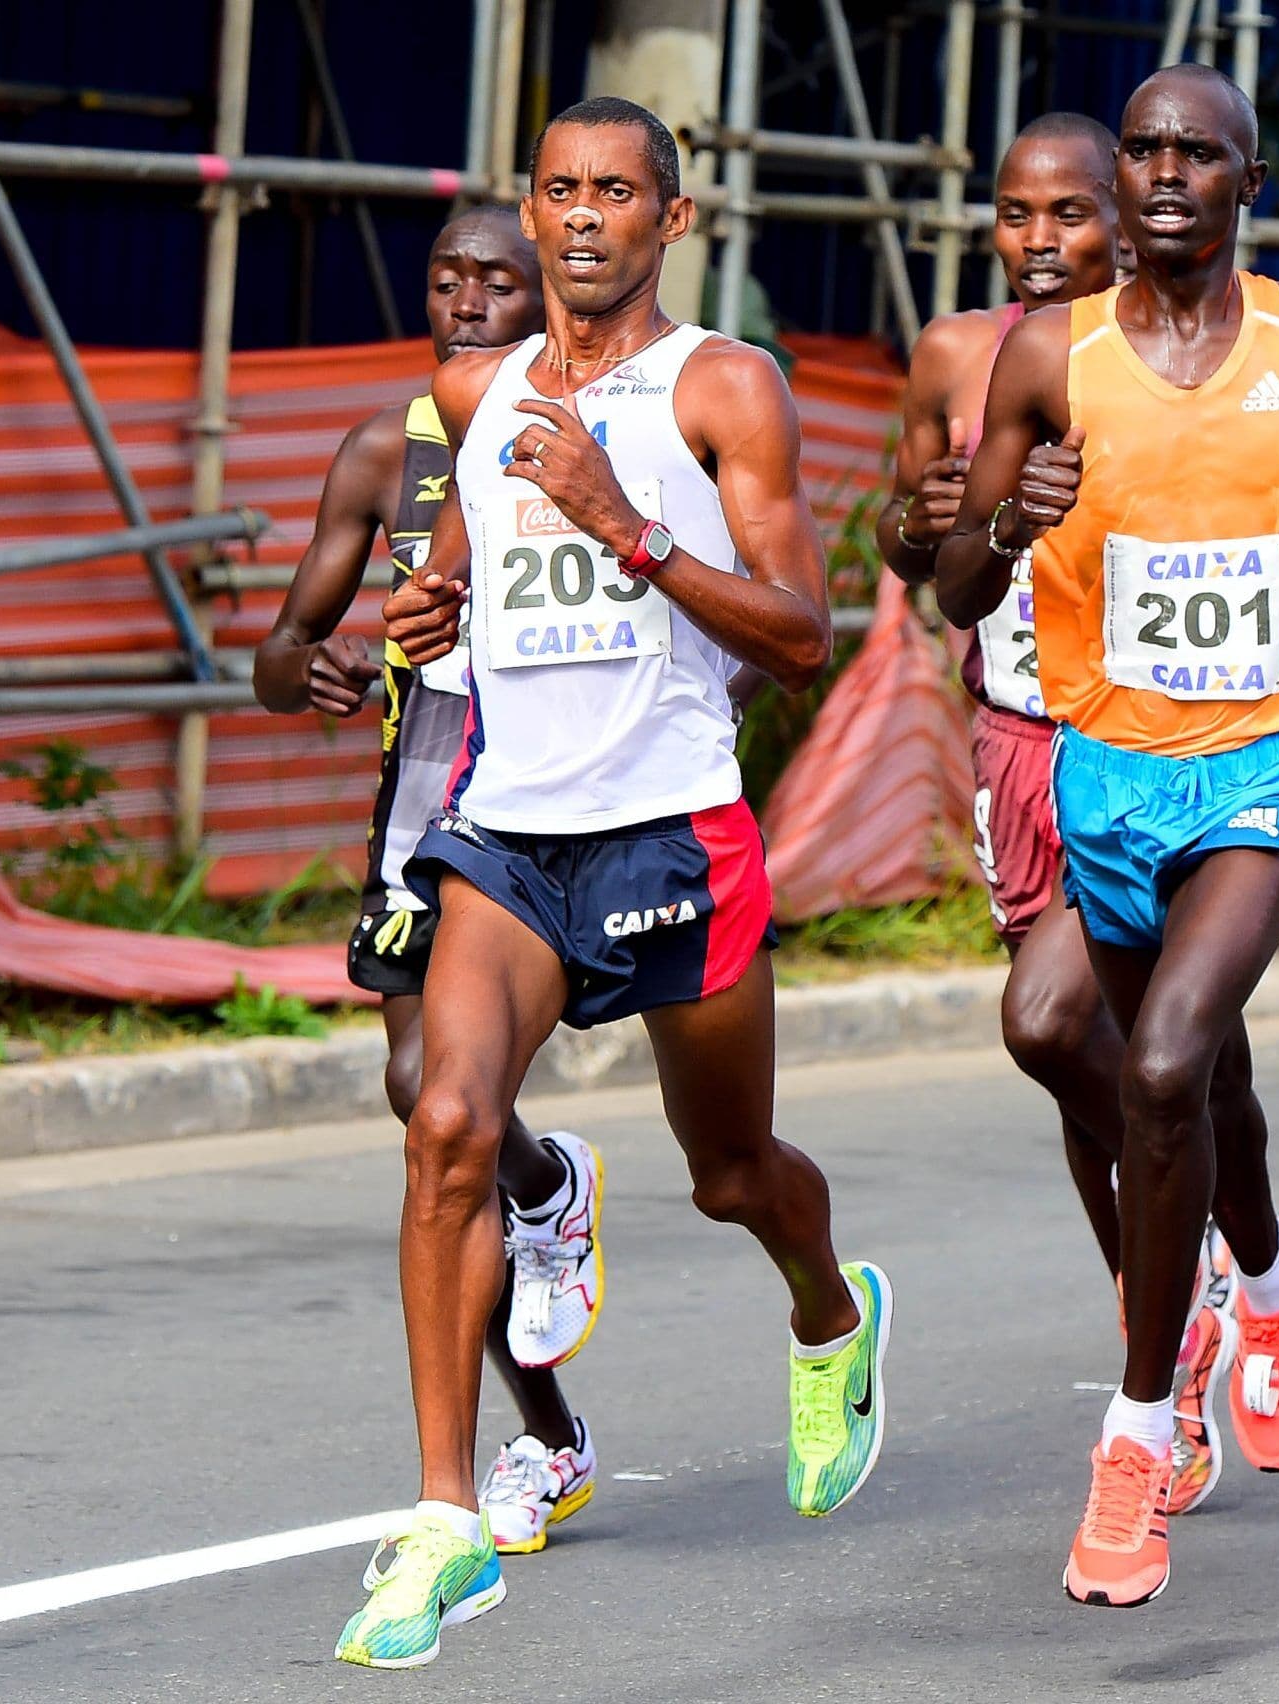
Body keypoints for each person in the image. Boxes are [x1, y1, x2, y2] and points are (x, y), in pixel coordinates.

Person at [341, 98, 889, 1668]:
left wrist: (624, 525)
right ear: (531, 207)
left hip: (672, 830)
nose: (583, 219)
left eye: (617, 194)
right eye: (560, 191)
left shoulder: (726, 385)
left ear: (673, 218)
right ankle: (448, 1519)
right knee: (446, 1124)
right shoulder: (477, 387)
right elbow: (455, 572)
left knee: (730, 1172)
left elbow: (798, 637)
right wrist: (432, 610)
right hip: (509, 830)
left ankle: (828, 1312)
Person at [936, 63, 1279, 1609]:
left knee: (1165, 1059)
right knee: (1059, 1029)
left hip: (1270, 770)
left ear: (1248, 182)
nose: (1164, 177)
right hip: (1109, 773)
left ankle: (1141, 1428)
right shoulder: (1049, 354)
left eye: (1194, 157)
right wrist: (1003, 518)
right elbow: (954, 586)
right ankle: (1270, 1272)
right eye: (1145, 151)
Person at [879, 113, 1237, 1516]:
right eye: (1017, 216)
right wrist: (933, 524)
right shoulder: (961, 359)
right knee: (1102, 1068)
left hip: (1157, 743)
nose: (1043, 242)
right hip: (1017, 739)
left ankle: (1208, 1295)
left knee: (1100, 1038)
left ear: (1128, 215)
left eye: (1072, 215)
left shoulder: (1192, 355)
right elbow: (919, 550)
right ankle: (1173, 1289)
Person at [253, 206, 602, 1560]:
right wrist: (318, 670)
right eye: (449, 279)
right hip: (433, 788)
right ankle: (552, 1426)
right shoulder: (382, 455)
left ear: (545, 297)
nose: (467, 301)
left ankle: (804, 1302)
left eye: (496, 282)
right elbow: (281, 653)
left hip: (588, 799)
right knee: (432, 1106)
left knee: (709, 1149)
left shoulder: (601, 431)